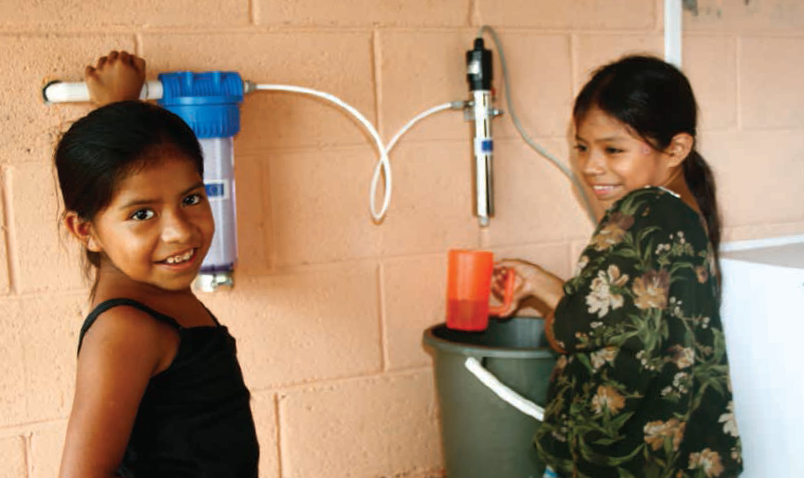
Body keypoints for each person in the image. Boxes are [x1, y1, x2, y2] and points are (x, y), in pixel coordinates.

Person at [492, 55, 742, 478]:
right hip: (679, 454)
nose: (591, 165)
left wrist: (545, 291)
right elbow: (617, 314)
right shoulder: (685, 213)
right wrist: (540, 281)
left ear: (677, 149)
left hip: (617, 458)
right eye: (582, 147)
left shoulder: (638, 215)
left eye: (613, 149)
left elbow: (567, 330)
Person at [56, 51, 259, 477]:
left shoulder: (149, 289)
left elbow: (128, 174)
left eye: (191, 199)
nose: (181, 232)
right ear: (84, 229)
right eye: (143, 215)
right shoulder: (125, 331)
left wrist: (119, 107)